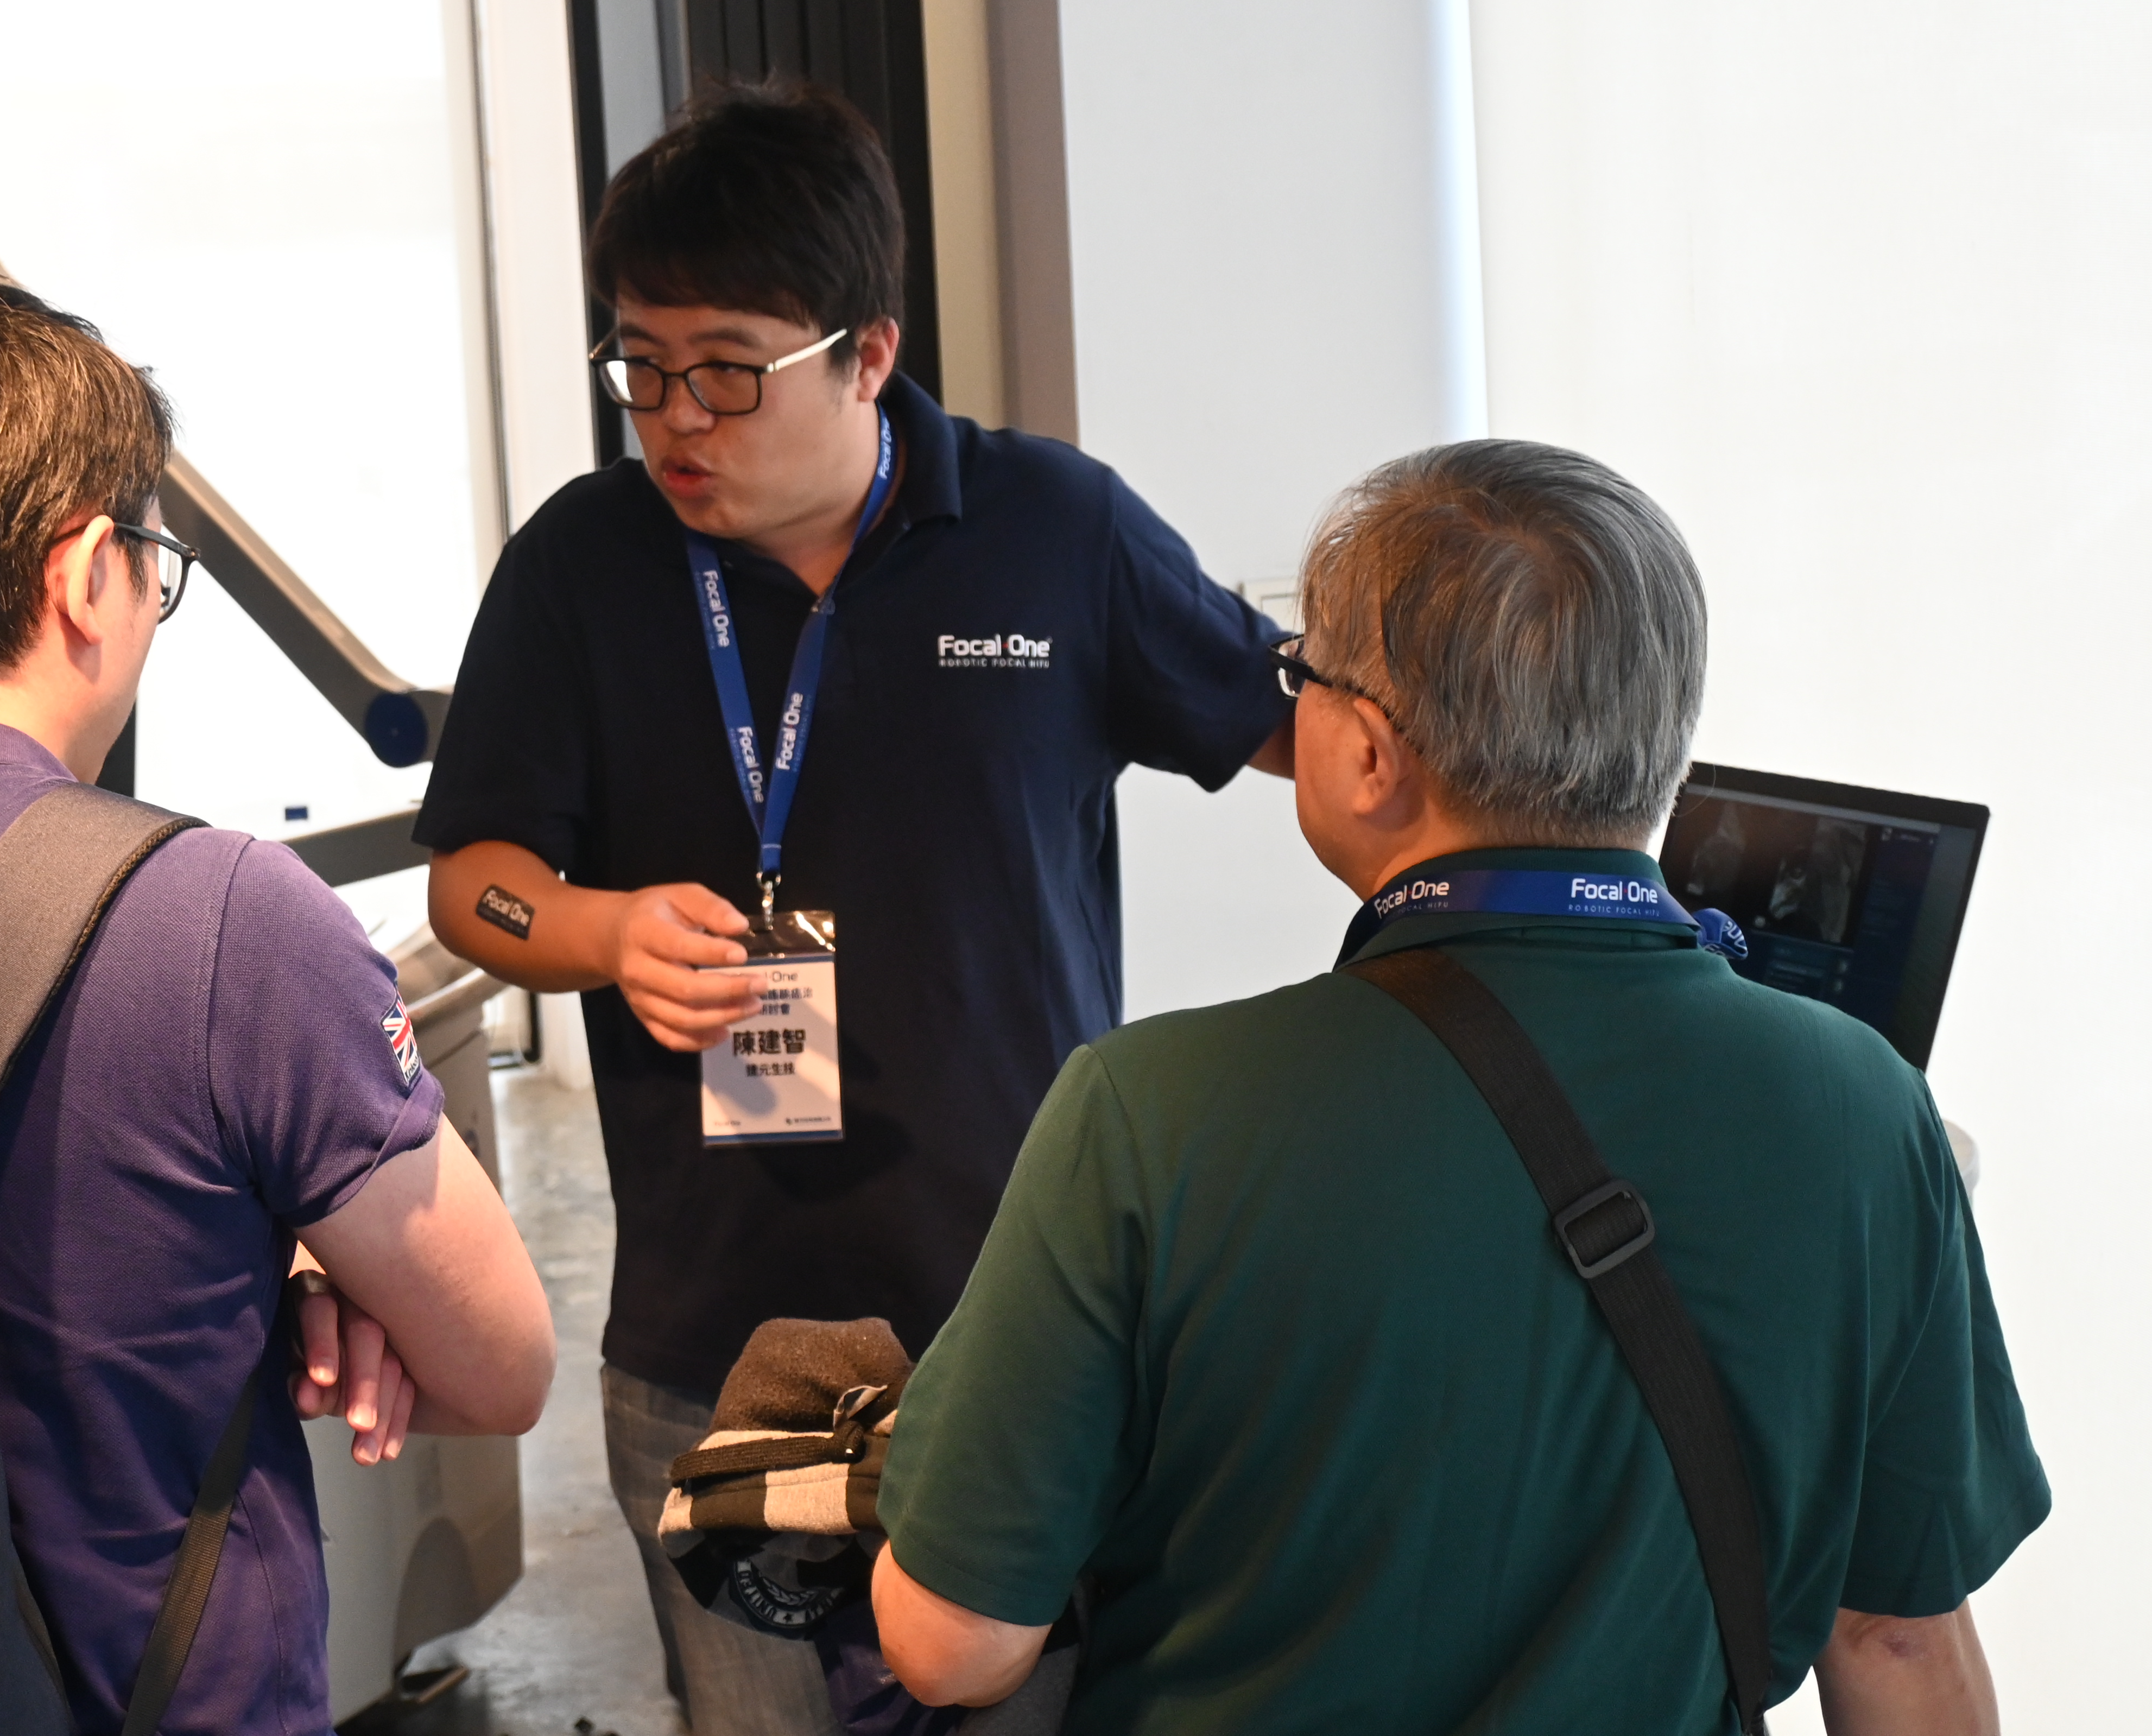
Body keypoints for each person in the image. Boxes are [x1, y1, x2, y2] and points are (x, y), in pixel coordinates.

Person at [869, 441, 2047, 1734]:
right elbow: (1895, 1637)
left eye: (1302, 675)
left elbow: (953, 1643)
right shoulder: (1870, 1108)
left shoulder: (1147, 1109)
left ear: (1371, 755)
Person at [415, 80, 1294, 1734]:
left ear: (867, 353)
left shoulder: (1053, 532)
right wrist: (600, 935)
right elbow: (476, 888)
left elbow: (1305, 739)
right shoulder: (585, 564)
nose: (676, 420)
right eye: (641, 366)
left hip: (1021, 1325)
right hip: (710, 1339)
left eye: (728, 369)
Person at [0, 273, 554, 1731]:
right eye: (155, 562)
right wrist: (300, 1266)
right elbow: (498, 1361)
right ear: (88, 570)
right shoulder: (213, 919)